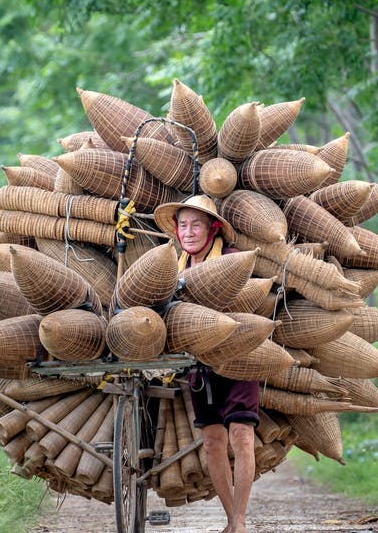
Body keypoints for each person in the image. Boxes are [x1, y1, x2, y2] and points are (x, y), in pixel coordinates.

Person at [153, 194, 257, 533]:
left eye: (196, 225)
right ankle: (231, 519)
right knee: (213, 441)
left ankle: (239, 522)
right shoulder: (172, 267)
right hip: (196, 366)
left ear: (213, 229)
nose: (188, 232)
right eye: (182, 225)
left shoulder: (232, 259)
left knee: (241, 435)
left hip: (237, 357)